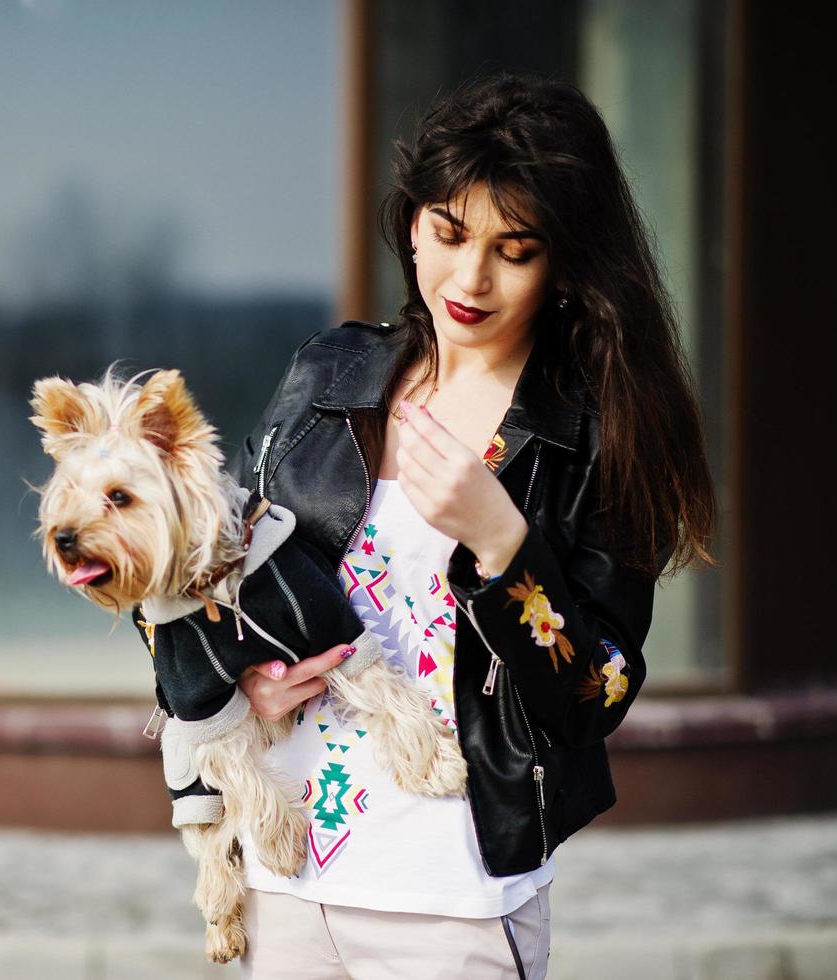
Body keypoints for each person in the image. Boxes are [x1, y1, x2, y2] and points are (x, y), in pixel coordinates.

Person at [225, 73, 716, 978]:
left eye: (513, 249)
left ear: (562, 263)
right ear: (411, 222)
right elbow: (209, 568)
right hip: (287, 876)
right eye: (448, 234)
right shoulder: (329, 374)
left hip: (450, 895)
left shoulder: (595, 429)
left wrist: (502, 543)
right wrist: (240, 682)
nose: (470, 278)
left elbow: (595, 699)